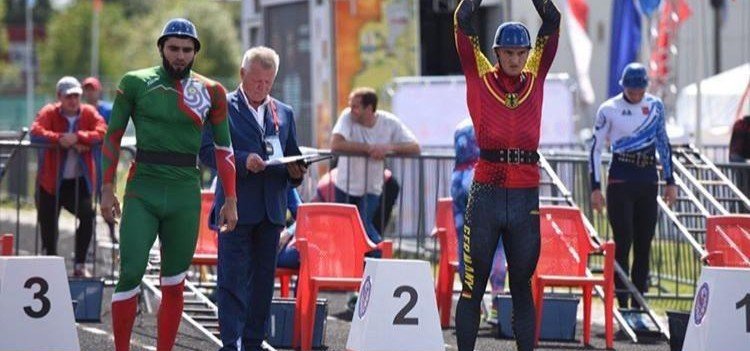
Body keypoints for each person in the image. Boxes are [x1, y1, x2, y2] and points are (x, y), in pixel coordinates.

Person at [100, 18, 238, 351]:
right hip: (143, 187)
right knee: (131, 272)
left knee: (175, 283)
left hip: (184, 193)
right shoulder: (135, 82)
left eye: (186, 50)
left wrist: (230, 199)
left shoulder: (212, 91)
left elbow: (224, 148)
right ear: (161, 47)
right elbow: (113, 136)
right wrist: (106, 188)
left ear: (195, 53)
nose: (179, 56)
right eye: (173, 48)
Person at [453, 0, 560, 350]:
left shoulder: (536, 75)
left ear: (528, 53)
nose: (515, 59)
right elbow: (463, 18)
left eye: (520, 52)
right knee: (473, 286)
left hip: (526, 195)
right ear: (496, 53)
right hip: (487, 195)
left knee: (522, 287)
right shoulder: (480, 75)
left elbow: (552, 19)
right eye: (508, 52)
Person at [199, 46, 306, 351]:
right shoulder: (221, 107)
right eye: (257, 81)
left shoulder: (284, 112)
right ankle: (230, 344)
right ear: (242, 74)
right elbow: (207, 152)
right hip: (235, 207)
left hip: (272, 211)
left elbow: (290, 156)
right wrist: (244, 160)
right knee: (231, 281)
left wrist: (297, 173)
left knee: (262, 285)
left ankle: (253, 344)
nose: (262, 88)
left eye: (269, 83)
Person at [589, 62, 677, 320]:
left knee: (644, 243)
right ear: (624, 86)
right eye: (631, 89)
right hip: (620, 181)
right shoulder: (609, 109)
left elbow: (663, 143)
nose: (636, 94)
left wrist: (670, 181)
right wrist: (595, 187)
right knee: (623, 241)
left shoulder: (655, 107)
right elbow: (595, 149)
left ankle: (639, 304)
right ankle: (623, 303)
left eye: (640, 89)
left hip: (648, 180)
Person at [30, 76, 107, 277]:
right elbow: (35, 132)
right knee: (48, 225)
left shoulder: (89, 112)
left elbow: (103, 131)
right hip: (50, 182)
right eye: (68, 96)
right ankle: (50, 264)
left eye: (76, 96)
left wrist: (80, 137)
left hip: (78, 183)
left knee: (88, 216)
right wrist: (59, 140)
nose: (73, 100)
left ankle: (80, 264)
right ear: (59, 97)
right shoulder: (49, 112)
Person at [330, 87, 420, 250]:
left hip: (371, 188)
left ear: (369, 108)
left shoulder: (389, 122)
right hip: (344, 185)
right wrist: (368, 148)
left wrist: (388, 148)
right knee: (344, 229)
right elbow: (336, 144)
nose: (352, 110)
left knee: (363, 225)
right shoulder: (347, 116)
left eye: (356, 106)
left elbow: (414, 147)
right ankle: (371, 259)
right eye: (350, 105)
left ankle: (380, 255)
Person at [451, 118, 506, 322]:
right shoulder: (495, 124)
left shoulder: (461, 127)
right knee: (498, 244)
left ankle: (474, 306)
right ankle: (496, 304)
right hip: (485, 181)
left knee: (465, 246)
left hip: (459, 183)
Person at [82, 76, 119, 244]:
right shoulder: (81, 111)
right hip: (86, 160)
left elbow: (112, 133)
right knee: (86, 200)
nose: (90, 93)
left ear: (99, 91)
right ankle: (89, 239)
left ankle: (112, 231)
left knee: (106, 194)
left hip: (104, 159)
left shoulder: (108, 110)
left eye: (93, 89)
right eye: (87, 90)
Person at [729, 115, 750, 205]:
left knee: (741, 189)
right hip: (739, 159)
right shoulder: (743, 126)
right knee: (743, 189)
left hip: (736, 158)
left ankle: (740, 209)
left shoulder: (739, 124)